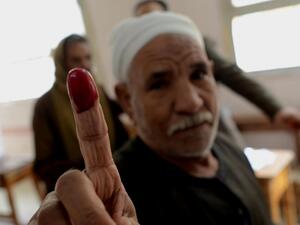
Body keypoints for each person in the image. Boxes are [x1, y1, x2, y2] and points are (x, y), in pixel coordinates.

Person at [29, 12, 273, 225]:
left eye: (199, 74)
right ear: (127, 100)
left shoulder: (230, 149)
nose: (191, 102)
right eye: (159, 84)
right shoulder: (118, 202)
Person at [133, 0, 300, 143]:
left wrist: (275, 109)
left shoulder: (195, 44)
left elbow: (233, 75)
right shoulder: (136, 61)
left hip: (213, 125)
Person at [32, 34, 129, 193]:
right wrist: (90, 174)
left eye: (88, 57)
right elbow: (44, 165)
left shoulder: (98, 92)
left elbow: (121, 134)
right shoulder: (45, 105)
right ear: (62, 64)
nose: (85, 65)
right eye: (76, 60)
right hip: (76, 188)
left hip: (116, 179)